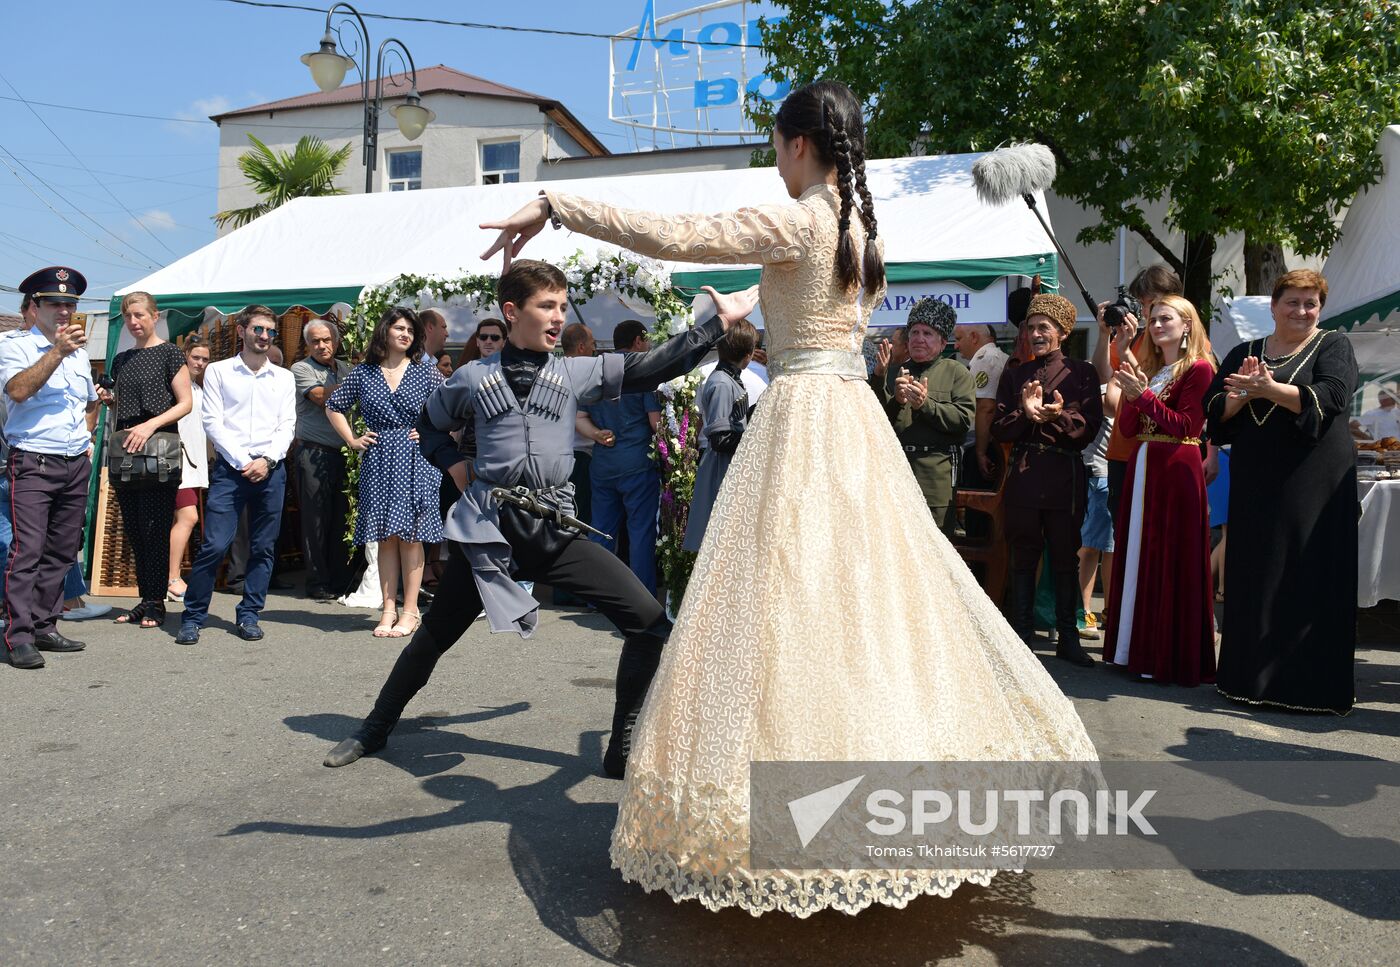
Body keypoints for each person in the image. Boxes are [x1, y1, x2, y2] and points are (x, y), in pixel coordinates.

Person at [472, 80, 1098, 917]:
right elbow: (798, 308)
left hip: (804, 419)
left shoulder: (803, 215)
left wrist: (557, 201)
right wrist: (738, 305)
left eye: (774, 143)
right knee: (864, 604)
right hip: (852, 421)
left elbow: (680, 233)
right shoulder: (858, 226)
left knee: (784, 603)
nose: (772, 158)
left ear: (799, 143)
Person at [322, 260, 749, 774]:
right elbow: (430, 428)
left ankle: (621, 745)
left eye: (562, 307)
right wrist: (456, 466)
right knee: (435, 635)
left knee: (649, 624)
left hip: (555, 529)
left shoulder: (575, 371)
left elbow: (650, 367)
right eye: (546, 306)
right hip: (489, 533)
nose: (556, 317)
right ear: (511, 312)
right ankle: (374, 728)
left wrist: (715, 325)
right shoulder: (470, 378)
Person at [1205, 269, 1358, 714]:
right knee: (1256, 571)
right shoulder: (1243, 352)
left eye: (1311, 303)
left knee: (1307, 573)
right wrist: (1246, 394)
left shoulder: (1333, 345)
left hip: (1314, 480)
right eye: (1293, 301)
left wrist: (1268, 389)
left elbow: (1333, 396)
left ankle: (1308, 690)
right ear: (1273, 307)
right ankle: (1247, 681)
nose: (1302, 310)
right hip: (1256, 481)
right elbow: (1215, 410)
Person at [1102, 296, 1216, 684]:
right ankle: (1136, 649)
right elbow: (1130, 428)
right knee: (1138, 553)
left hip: (1176, 468)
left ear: (1187, 325)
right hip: (1145, 465)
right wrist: (1134, 384)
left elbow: (1186, 425)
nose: (1157, 325)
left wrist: (1143, 396)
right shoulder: (1156, 371)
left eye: (1166, 318)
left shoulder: (1199, 369)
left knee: (1167, 556)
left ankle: (1167, 654)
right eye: (1153, 319)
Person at [175, 306, 297, 646]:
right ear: (242, 331)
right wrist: (246, 461)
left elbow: (287, 425)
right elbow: (212, 421)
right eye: (258, 329)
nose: (264, 336)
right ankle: (193, 616)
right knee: (215, 544)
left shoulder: (283, 377)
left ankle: (249, 614)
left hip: (271, 469)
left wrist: (268, 460)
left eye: (270, 332)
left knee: (263, 547)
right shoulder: (218, 372)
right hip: (232, 469)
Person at [992, 293, 1102, 666]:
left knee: (1064, 558)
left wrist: (1056, 415)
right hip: (1023, 475)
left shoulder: (1082, 373)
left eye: (1044, 327)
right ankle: (1022, 636)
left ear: (1063, 332)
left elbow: (1088, 429)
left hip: (1064, 479)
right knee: (1022, 556)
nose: (1035, 334)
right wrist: (1025, 413)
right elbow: (999, 430)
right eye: (1031, 327)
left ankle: (1068, 640)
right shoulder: (1015, 374)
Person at [0, 267, 100, 668]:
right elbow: (18, 391)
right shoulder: (15, 345)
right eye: (56, 303)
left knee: (61, 552)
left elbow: (90, 402)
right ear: (34, 307)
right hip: (33, 461)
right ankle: (17, 635)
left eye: (70, 304)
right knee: (26, 551)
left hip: (74, 462)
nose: (64, 310)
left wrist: (87, 440)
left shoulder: (77, 356)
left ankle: (44, 625)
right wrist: (56, 351)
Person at [326, 308, 444, 637]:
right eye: (399, 328)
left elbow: (453, 405)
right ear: (385, 332)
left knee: (410, 536)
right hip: (378, 458)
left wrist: (432, 431)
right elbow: (333, 405)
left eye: (410, 329)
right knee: (385, 538)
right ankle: (388, 608)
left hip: (416, 459)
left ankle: (411, 610)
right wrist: (351, 439)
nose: (405, 334)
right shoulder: (364, 373)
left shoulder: (425, 371)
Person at [104, 292, 192, 629]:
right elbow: (120, 408)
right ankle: (146, 598)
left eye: (139, 315)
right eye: (128, 316)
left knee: (156, 530)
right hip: (126, 449)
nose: (133, 322)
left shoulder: (170, 353)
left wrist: (150, 424)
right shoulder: (121, 359)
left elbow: (185, 403)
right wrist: (110, 400)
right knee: (135, 531)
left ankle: (157, 602)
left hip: (158, 448)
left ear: (155, 316)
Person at [871, 298, 975, 532]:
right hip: (897, 473)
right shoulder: (895, 371)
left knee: (936, 548)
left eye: (927, 333)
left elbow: (963, 420)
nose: (918, 339)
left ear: (942, 342)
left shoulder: (956, 372)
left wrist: (926, 405)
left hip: (935, 477)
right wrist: (882, 382)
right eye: (914, 332)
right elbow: (878, 423)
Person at [1093, 265, 1182, 525]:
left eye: (1151, 303)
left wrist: (1125, 354)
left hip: (1156, 453)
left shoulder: (1185, 343)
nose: (1145, 312)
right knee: (1124, 538)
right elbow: (1102, 376)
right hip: (1121, 451)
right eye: (1143, 305)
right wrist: (1104, 334)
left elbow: (1151, 387)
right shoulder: (1136, 338)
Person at [583, 320, 664, 595]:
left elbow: (579, 415)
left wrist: (596, 433)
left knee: (601, 530)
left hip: (603, 463)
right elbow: (655, 423)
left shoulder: (598, 370)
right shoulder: (643, 372)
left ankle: (597, 594)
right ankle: (641, 593)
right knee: (641, 531)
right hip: (637, 462)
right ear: (639, 341)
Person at [290, 318, 353, 602]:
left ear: (336, 342)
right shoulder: (301, 369)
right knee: (315, 519)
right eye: (315, 341)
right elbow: (319, 396)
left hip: (342, 453)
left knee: (340, 518)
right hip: (312, 452)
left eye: (327, 340)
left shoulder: (345, 369)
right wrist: (356, 384)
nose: (322, 345)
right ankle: (317, 581)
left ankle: (339, 580)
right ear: (307, 344)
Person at [682, 319, 757, 551]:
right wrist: (755, 434)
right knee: (720, 540)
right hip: (720, 470)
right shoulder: (722, 383)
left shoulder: (728, 379)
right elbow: (721, 438)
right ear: (747, 355)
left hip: (727, 466)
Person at [167, 336, 210, 602]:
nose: (201, 363)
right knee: (188, 518)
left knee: (178, 520)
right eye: (196, 357)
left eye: (205, 359)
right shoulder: (176, 386)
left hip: (192, 463)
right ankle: (172, 578)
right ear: (185, 355)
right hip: (176, 462)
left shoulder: (197, 388)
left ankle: (167, 578)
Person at [1076, 394, 1114, 640]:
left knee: (1112, 549)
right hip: (1096, 474)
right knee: (1089, 547)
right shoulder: (1102, 385)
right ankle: (1084, 611)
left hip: (1117, 475)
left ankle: (1110, 614)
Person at [954, 322, 1010, 484]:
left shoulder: (985, 359)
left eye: (958, 338)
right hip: (990, 443)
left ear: (974, 337)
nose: (956, 345)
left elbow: (986, 407)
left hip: (984, 445)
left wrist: (980, 453)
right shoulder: (999, 357)